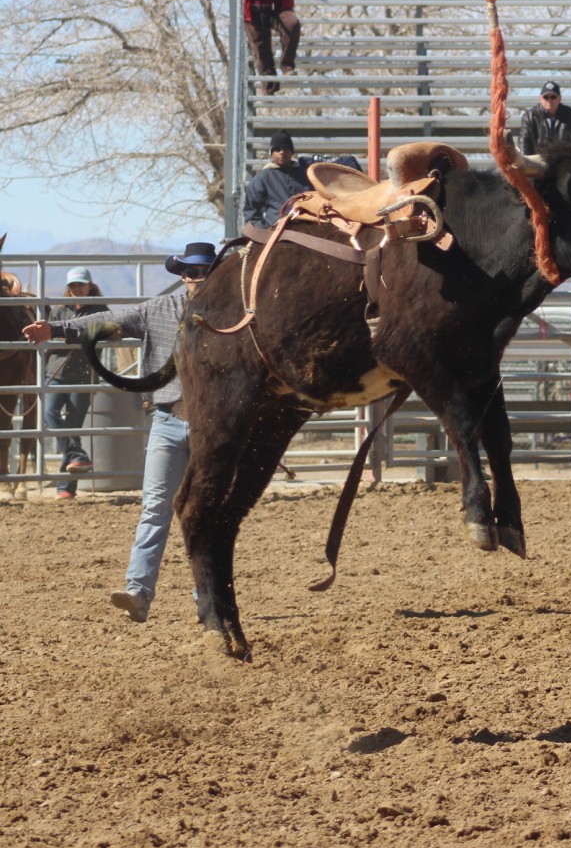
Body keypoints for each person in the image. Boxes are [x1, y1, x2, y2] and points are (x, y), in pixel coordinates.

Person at [23, 242, 217, 624]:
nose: (198, 279)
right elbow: (104, 322)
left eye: (205, 272)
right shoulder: (159, 310)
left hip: (209, 424)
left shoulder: (231, 318)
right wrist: (56, 327)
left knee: (205, 514)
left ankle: (207, 598)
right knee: (155, 507)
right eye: (192, 272)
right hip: (166, 419)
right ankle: (138, 592)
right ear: (182, 276)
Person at [45, 267, 109, 499]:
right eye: (73, 285)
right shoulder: (59, 310)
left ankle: (65, 487)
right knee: (49, 413)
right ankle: (78, 455)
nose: (77, 289)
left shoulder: (101, 310)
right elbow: (50, 335)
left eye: (81, 284)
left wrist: (70, 336)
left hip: (84, 373)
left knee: (72, 425)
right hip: (56, 371)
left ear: (90, 286)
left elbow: (108, 332)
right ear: (68, 288)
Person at [243, 129, 361, 229]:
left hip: (310, 227)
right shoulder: (262, 179)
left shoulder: (306, 168)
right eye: (277, 149)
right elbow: (251, 214)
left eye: (286, 148)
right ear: (271, 153)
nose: (282, 152)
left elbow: (344, 161)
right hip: (278, 231)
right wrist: (265, 232)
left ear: (292, 152)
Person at [224, 0, 301, 96]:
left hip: (278, 7)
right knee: (261, 50)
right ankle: (270, 90)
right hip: (253, 11)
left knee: (292, 24)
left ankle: (287, 65)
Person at [519, 81, 571, 155]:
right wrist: (527, 162)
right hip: (536, 160)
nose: (549, 100)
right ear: (540, 99)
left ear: (559, 98)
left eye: (553, 97)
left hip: (562, 161)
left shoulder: (570, 115)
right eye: (546, 97)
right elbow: (524, 141)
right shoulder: (529, 116)